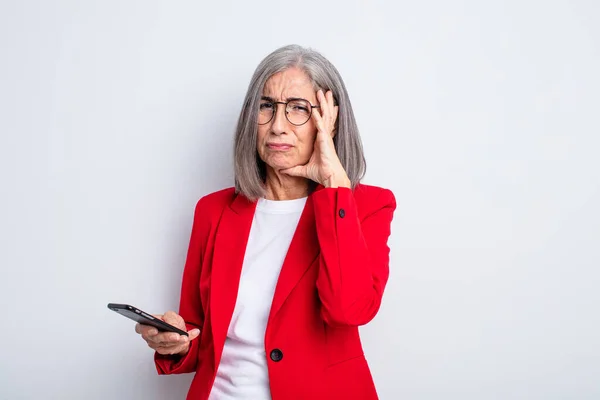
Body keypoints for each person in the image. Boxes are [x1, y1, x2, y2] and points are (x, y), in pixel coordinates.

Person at [135, 44, 396, 400]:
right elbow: (198, 335)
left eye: (299, 109)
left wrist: (335, 187)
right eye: (266, 106)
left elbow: (348, 309)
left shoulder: (366, 206)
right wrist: (175, 341)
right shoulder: (212, 211)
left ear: (331, 122)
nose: (277, 126)